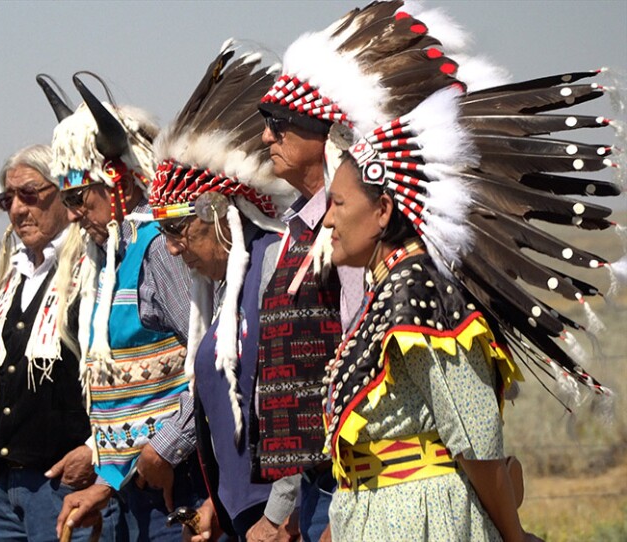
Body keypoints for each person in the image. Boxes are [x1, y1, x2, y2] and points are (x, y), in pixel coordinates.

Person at [316, 13, 623, 539]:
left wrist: (512, 533)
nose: (327, 218)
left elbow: (476, 438)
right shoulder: (389, 290)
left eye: (338, 203)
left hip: (425, 521)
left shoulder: (423, 292)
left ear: (383, 210)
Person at [253, 2, 484, 537]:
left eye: (280, 125)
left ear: (323, 132)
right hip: (320, 485)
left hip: (366, 485)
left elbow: (370, 362)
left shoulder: (355, 239)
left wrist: (346, 505)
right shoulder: (299, 231)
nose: (267, 137)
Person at [146, 42, 298, 541]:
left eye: (177, 231)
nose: (170, 250)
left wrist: (282, 513)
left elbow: (301, 398)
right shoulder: (221, 289)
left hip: (279, 519)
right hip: (242, 516)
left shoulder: (275, 265)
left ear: (219, 215)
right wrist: (218, 502)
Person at [45, 75, 206, 541]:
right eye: (67, 200)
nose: (73, 214)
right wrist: (108, 479)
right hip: (135, 487)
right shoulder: (108, 261)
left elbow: (210, 358)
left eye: (80, 198)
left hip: (178, 483)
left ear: (118, 181)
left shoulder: (157, 249)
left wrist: (167, 446)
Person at [0, 144, 105, 542]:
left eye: (30, 194)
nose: (16, 209)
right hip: (6, 489)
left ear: (64, 192)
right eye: (7, 199)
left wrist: (96, 450)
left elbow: (116, 370)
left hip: (66, 486)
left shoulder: (94, 268)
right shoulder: (10, 277)